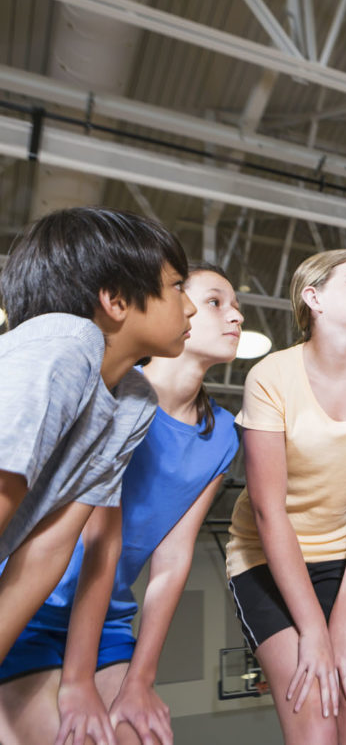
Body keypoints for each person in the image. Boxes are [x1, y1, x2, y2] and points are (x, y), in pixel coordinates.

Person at [0, 263, 243, 745]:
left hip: (107, 620)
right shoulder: (120, 394)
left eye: (237, 306)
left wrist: (140, 680)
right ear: (181, 309)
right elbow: (97, 540)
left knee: (145, 736)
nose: (234, 315)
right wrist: (78, 682)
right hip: (30, 603)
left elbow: (173, 560)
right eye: (216, 301)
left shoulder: (224, 435)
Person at [226, 249, 346, 745]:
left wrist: (344, 619)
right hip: (265, 560)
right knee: (314, 707)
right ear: (314, 298)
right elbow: (269, 511)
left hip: (341, 559)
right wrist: (314, 628)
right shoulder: (270, 376)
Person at [0, 207, 193, 665]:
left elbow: (49, 547)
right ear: (116, 300)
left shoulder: (134, 401)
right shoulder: (63, 345)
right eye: (178, 287)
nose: (188, 306)